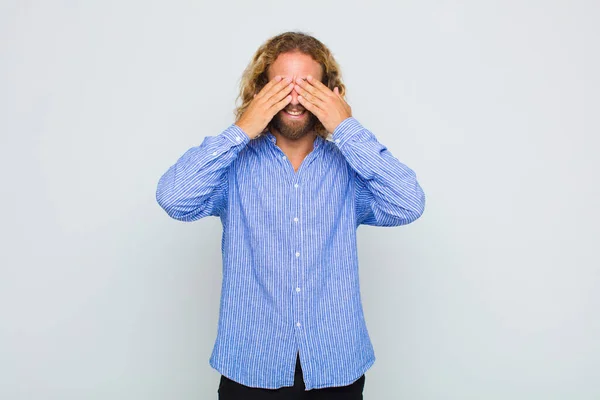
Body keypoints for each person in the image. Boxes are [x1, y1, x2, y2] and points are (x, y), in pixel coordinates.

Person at [156, 31, 426, 399]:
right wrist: (240, 130)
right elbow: (174, 198)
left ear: (332, 94)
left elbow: (409, 203)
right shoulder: (232, 168)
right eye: (281, 87)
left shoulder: (351, 169)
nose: (295, 99)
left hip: (336, 367)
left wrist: (346, 127)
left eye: (309, 87)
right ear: (259, 93)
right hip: (250, 368)